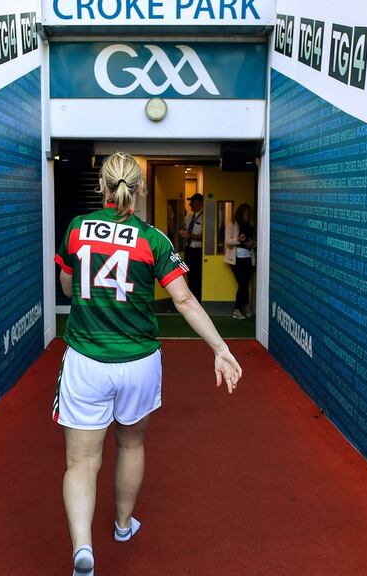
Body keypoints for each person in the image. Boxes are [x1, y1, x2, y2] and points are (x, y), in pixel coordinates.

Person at [53, 153, 243, 576]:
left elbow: (67, 285)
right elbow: (185, 300)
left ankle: (83, 547)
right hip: (139, 363)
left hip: (86, 359)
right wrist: (219, 348)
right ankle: (122, 526)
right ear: (138, 191)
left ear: (101, 188)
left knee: (81, 463)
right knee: (131, 444)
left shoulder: (77, 230)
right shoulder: (153, 239)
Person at [224, 204, 255, 319]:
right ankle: (238, 309)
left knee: (245, 284)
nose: (249, 215)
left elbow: (255, 241)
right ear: (242, 213)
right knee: (242, 284)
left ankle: (245, 306)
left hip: (248, 257)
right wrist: (238, 239)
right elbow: (227, 241)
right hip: (236, 259)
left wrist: (252, 244)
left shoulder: (251, 225)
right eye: (248, 213)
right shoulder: (232, 224)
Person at [178, 193, 204, 302]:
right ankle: (191, 298)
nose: (190, 204)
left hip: (199, 250)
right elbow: (184, 228)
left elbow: (205, 237)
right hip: (189, 249)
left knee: (198, 276)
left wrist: (190, 236)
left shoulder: (204, 217)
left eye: (193, 202)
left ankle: (198, 299)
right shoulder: (188, 216)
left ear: (200, 203)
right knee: (189, 275)